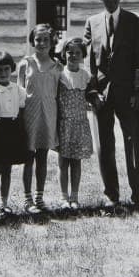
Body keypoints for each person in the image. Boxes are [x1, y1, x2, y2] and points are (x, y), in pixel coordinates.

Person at [83, 0, 139, 209]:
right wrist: (91, 91)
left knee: (132, 143)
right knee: (105, 145)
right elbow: (88, 61)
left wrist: (136, 91)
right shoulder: (92, 22)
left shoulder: (134, 20)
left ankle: (138, 195)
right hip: (101, 94)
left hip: (127, 92)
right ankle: (111, 194)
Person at [18, 24, 63, 213]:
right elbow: (19, 93)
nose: (42, 43)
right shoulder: (25, 64)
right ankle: (27, 199)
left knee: (42, 156)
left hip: (48, 114)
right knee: (28, 156)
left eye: (46, 39)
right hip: (29, 113)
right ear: (32, 41)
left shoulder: (58, 67)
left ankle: (39, 196)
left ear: (52, 41)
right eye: (38, 39)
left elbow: (59, 95)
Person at [0, 50, 28, 218]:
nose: (3, 73)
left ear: (12, 70)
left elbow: (22, 113)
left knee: (7, 170)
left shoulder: (18, 90)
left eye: (6, 69)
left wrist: (21, 133)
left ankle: (4, 203)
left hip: (12, 130)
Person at [55, 37, 94, 210]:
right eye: (70, 52)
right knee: (63, 162)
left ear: (83, 55)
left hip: (79, 124)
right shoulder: (59, 74)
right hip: (64, 123)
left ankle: (74, 196)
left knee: (76, 161)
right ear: (64, 53)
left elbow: (90, 95)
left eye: (78, 53)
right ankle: (64, 197)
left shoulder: (86, 76)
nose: (73, 55)